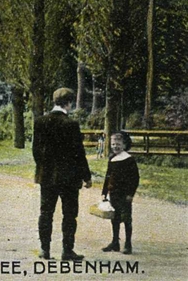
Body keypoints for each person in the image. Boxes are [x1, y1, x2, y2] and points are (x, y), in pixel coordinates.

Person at [33, 88, 92, 261]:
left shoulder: (40, 122)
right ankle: (67, 251)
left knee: (45, 213)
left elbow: (36, 150)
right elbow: (78, 153)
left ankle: (45, 249)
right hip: (69, 178)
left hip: (47, 177)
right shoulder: (71, 124)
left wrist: (44, 168)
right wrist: (86, 176)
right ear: (69, 103)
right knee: (69, 214)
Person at [101, 132, 139, 255]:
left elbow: (135, 178)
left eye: (118, 144)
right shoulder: (112, 158)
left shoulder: (129, 159)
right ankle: (115, 242)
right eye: (113, 144)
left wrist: (130, 194)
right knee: (115, 218)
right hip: (113, 193)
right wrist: (104, 192)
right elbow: (108, 176)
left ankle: (128, 243)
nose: (115, 146)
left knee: (126, 218)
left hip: (125, 194)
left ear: (124, 144)